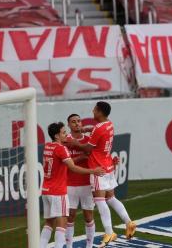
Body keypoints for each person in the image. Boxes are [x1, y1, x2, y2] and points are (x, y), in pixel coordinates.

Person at [67, 102, 136, 247]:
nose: (92, 111)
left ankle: (109, 232)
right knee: (110, 197)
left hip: (98, 167)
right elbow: (96, 131)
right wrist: (87, 129)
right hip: (108, 165)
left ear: (99, 112)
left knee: (100, 200)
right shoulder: (109, 124)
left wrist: (75, 142)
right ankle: (129, 222)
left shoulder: (98, 129)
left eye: (94, 109)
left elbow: (87, 147)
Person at [40, 122, 105, 248]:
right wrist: (93, 171)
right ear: (57, 136)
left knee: (48, 223)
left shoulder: (47, 146)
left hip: (46, 190)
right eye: (63, 133)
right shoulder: (61, 148)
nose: (66, 135)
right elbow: (73, 167)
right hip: (58, 191)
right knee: (62, 224)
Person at [64, 114, 95, 248]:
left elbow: (95, 157)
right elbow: (65, 163)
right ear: (69, 125)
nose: (77, 123)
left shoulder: (89, 140)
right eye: (73, 122)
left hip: (87, 184)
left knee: (88, 216)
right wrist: (82, 156)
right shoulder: (65, 141)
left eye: (78, 121)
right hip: (70, 183)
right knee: (70, 217)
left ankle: (89, 245)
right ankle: (69, 245)